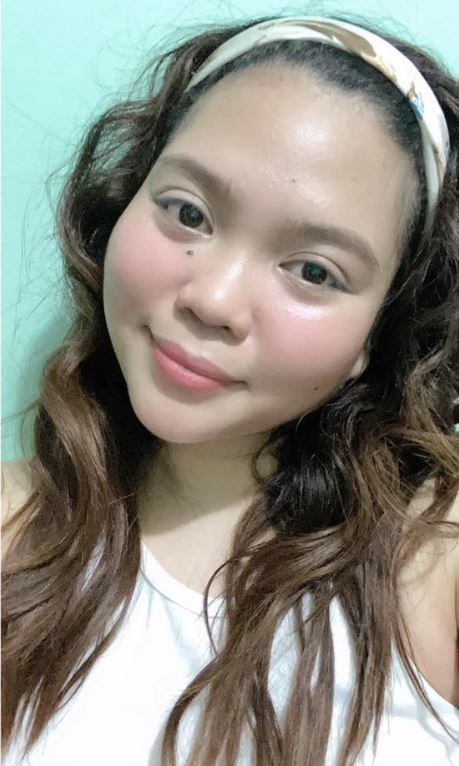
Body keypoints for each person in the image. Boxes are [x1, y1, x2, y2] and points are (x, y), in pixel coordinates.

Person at [1, 11, 458, 766]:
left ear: (376, 335)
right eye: (189, 212)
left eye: (313, 270)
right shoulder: (16, 526)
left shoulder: (435, 556)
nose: (212, 300)